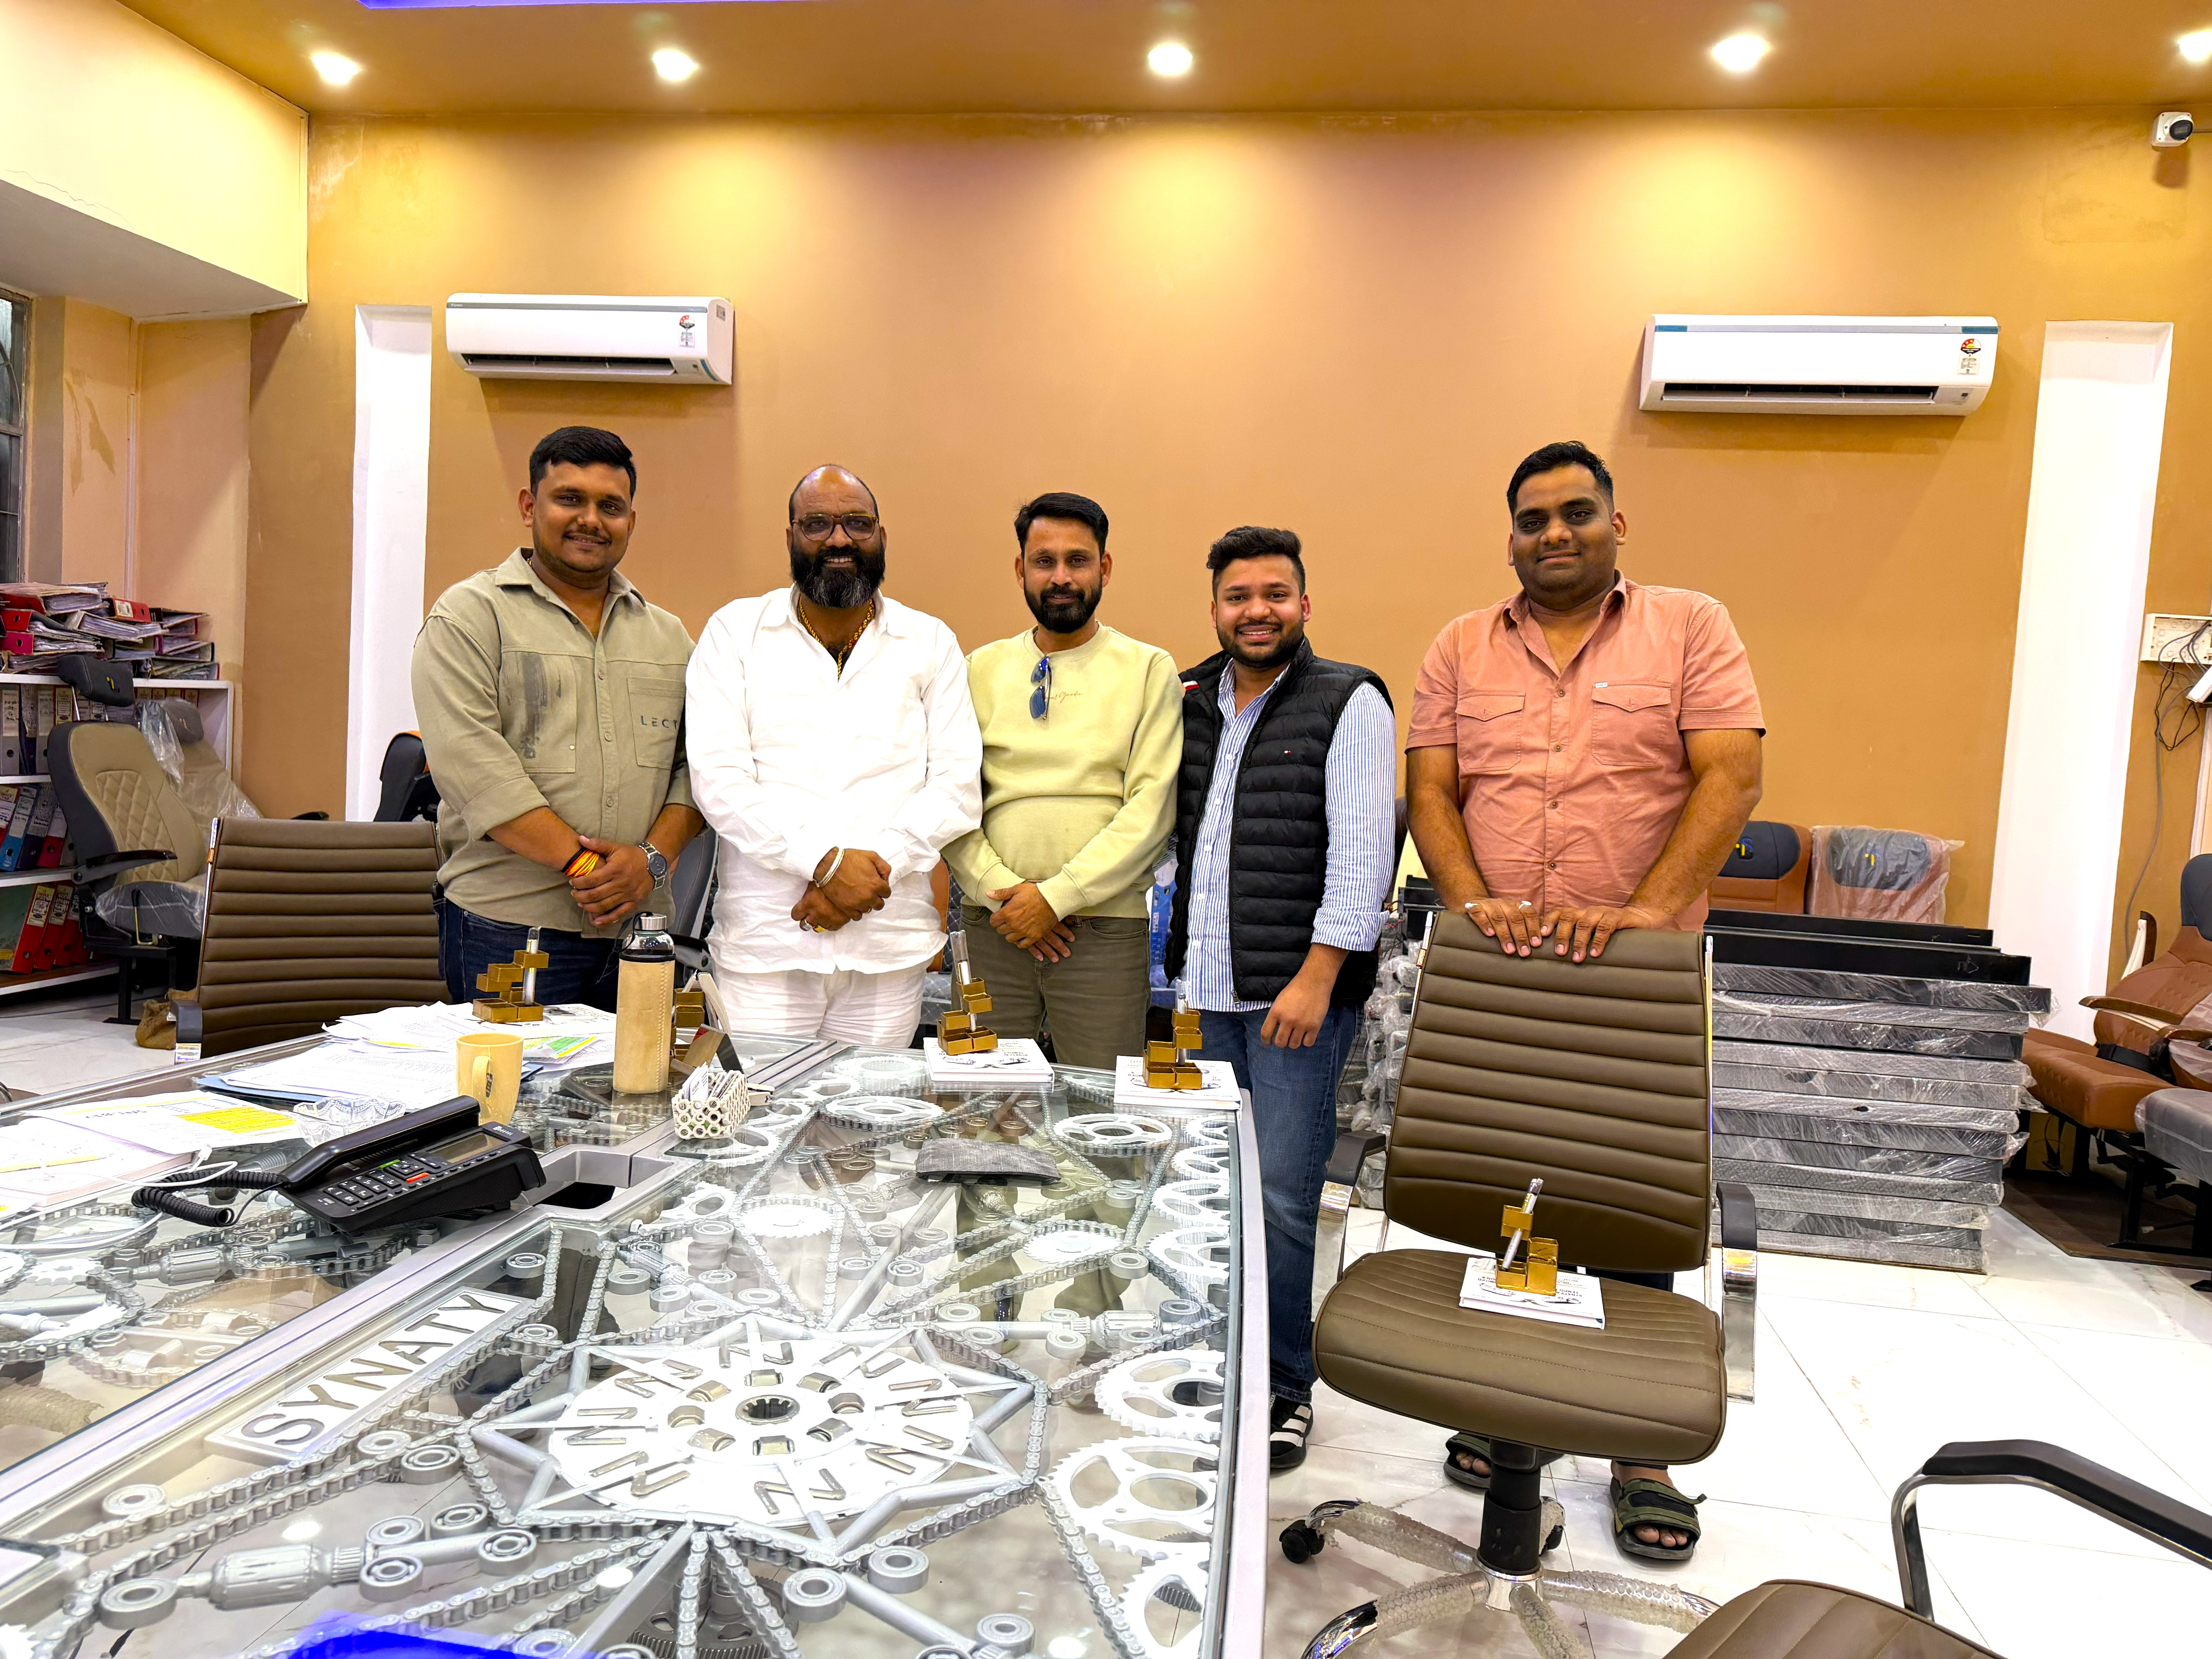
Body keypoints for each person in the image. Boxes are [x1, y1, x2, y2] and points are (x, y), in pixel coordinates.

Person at [1405, 438, 1765, 1563]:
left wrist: (1650, 913)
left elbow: (1732, 775)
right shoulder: (1461, 644)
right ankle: (1508, 1392)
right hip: (1504, 961)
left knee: (1624, 1191)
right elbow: (1432, 790)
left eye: (1575, 513)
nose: (1553, 533)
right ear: (1509, 535)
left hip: (1633, 966)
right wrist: (1469, 903)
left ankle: (1634, 1443)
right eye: (1532, 519)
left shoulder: (1691, 626)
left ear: (1617, 522)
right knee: (1508, 1174)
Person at [1163, 526, 1396, 1473]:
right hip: (1202, 992)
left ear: (1305, 603)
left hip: (1293, 998)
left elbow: (1363, 856)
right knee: (1206, 1187)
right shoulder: (1190, 698)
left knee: (1283, 1197)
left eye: (1274, 594)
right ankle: (1217, 1358)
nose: (1256, 611)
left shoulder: (1350, 699)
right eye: (1238, 597)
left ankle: (1286, 1384)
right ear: (1216, 608)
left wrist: (1317, 977)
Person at [684, 464, 981, 1046]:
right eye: (817, 524)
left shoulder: (930, 642)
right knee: (760, 1103)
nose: (839, 539)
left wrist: (868, 876)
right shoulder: (736, 633)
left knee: (874, 1107)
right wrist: (823, 864)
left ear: (881, 537)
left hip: (887, 944)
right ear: (790, 537)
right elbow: (720, 781)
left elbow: (956, 786)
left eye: (857, 524)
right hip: (768, 947)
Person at [414, 425, 704, 1011]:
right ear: (530, 506)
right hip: (510, 930)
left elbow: (699, 768)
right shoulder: (471, 618)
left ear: (631, 521)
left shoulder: (669, 637)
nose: (591, 520)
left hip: (640, 934)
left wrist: (648, 864)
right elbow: (473, 768)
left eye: (610, 507)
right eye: (570, 499)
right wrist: (590, 867)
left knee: (639, 1072)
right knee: (508, 1074)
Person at [945, 492, 1181, 1070]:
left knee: (1098, 1107)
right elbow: (950, 797)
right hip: (994, 925)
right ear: (1020, 569)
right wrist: (1006, 894)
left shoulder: (1148, 669)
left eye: (1078, 561)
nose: (1061, 577)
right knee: (979, 1103)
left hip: (1102, 930)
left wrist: (1056, 898)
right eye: (1044, 561)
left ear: (1105, 568)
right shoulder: (978, 669)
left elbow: (1152, 809)